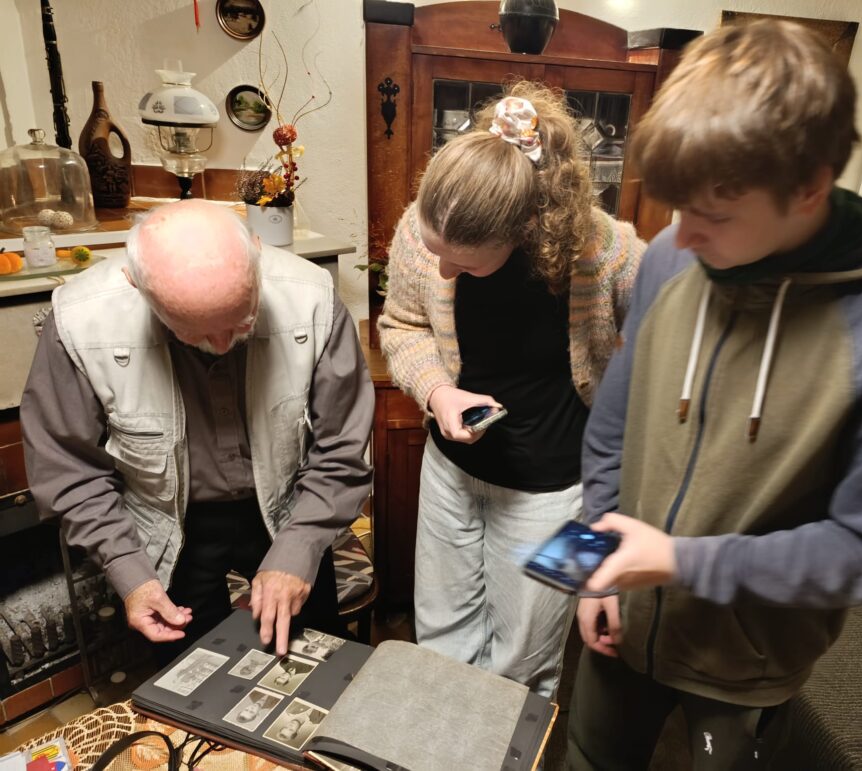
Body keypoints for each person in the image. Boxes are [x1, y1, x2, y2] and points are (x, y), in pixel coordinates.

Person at [567, 20, 862, 770]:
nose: (681, 237)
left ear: (809, 188)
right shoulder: (669, 261)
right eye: (678, 207)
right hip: (622, 618)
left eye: (713, 215)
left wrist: (682, 562)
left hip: (744, 665)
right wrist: (593, 559)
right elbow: (613, 428)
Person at [378, 81, 646, 698]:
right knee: (439, 640)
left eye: (464, 263)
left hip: (563, 495)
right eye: (436, 251)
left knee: (529, 663)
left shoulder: (609, 253)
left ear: (526, 227)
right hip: (451, 475)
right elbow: (402, 324)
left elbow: (662, 355)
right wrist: (437, 393)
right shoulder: (423, 231)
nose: (443, 269)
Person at [21, 199, 374, 659]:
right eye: (194, 332)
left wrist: (302, 545)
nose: (223, 345)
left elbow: (341, 447)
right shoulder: (80, 321)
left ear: (257, 253)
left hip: (292, 506)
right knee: (186, 668)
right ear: (136, 286)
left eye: (242, 320)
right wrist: (126, 566)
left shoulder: (312, 297)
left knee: (312, 652)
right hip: (164, 522)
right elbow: (67, 468)